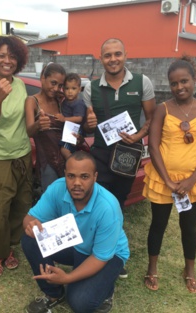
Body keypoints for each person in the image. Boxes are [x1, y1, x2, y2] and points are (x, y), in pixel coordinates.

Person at [83, 38, 156, 278]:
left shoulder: (141, 82)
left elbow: (152, 119)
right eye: (107, 55)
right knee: (98, 205)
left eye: (117, 54)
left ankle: (115, 255)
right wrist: (88, 124)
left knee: (119, 204)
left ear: (126, 55)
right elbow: (86, 127)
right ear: (100, 58)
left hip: (127, 154)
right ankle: (95, 253)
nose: (113, 59)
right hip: (101, 156)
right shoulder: (90, 89)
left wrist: (139, 136)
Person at [142, 56, 196, 293]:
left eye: (184, 81)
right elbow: (153, 146)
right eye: (174, 83)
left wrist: (191, 180)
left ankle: (189, 270)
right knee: (158, 225)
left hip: (192, 181)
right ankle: (152, 269)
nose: (179, 87)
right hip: (164, 179)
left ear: (194, 80)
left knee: (189, 227)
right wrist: (167, 181)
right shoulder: (162, 109)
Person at [22, 151, 129, 313]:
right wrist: (31, 225)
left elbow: (100, 257)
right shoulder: (58, 188)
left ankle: (107, 290)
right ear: (65, 175)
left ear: (95, 177)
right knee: (30, 239)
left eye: (84, 177)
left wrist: (67, 278)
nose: (76, 183)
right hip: (75, 241)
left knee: (80, 303)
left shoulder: (108, 207)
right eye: (71, 176)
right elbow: (30, 218)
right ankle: (54, 294)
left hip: (108, 254)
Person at [0, 35, 32, 277]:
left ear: (18, 60)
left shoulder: (20, 85)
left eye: (12, 56)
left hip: (22, 154)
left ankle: (10, 247)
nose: (7, 60)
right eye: (1, 55)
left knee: (20, 205)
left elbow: (29, 115)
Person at [25, 63, 66, 191]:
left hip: (66, 157)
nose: (56, 88)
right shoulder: (32, 101)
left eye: (60, 86)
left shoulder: (60, 101)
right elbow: (28, 131)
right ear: (43, 78)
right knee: (51, 199)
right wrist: (38, 124)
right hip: (47, 162)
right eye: (53, 83)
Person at [55, 73, 87, 160]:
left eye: (73, 88)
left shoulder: (78, 103)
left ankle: (72, 164)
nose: (70, 92)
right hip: (67, 129)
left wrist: (64, 119)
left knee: (64, 150)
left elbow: (79, 118)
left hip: (74, 129)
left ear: (79, 89)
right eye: (67, 88)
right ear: (63, 89)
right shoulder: (65, 101)